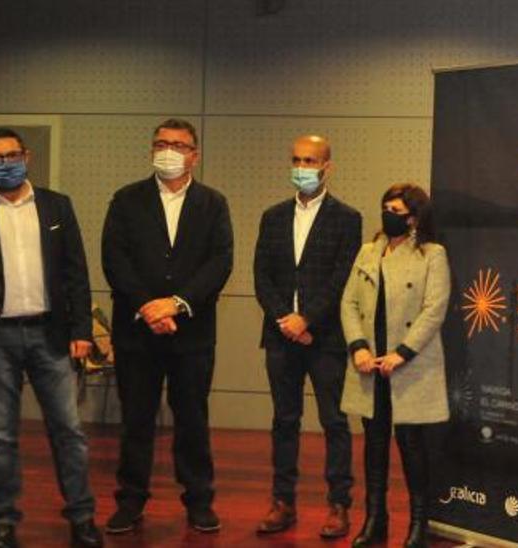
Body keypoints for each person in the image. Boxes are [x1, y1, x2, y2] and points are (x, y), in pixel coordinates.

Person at [0, 127, 103, 548]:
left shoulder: (56, 205)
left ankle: (81, 518)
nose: (5, 163)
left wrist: (82, 330)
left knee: (69, 432)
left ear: (27, 155)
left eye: (12, 154)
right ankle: (4, 522)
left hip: (52, 335)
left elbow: (75, 273)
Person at [101, 118, 233, 534]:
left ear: (195, 154)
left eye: (178, 145)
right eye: (161, 143)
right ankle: (131, 500)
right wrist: (149, 307)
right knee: (136, 419)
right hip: (137, 331)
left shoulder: (213, 203)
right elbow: (114, 260)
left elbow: (219, 262)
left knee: (192, 418)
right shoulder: (126, 200)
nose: (169, 151)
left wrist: (176, 305)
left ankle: (198, 501)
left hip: (192, 335)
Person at [253, 134, 362, 538]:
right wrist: (285, 318)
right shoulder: (273, 216)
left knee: (334, 420)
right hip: (280, 336)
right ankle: (283, 502)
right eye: (297, 159)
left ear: (327, 166)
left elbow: (341, 278)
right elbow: (261, 274)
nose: (302, 167)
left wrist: (307, 320)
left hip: (326, 338)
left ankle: (339, 505)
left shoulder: (347, 218)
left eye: (310, 160)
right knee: (284, 420)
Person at [340, 183, 451, 548]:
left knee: (411, 446)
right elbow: (349, 303)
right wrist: (358, 347)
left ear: (414, 218)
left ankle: (419, 524)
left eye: (396, 210)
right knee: (373, 444)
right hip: (370, 365)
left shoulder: (432, 255)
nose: (388, 215)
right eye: (385, 207)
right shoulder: (368, 251)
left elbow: (434, 310)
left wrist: (402, 353)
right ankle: (376, 520)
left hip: (409, 365)